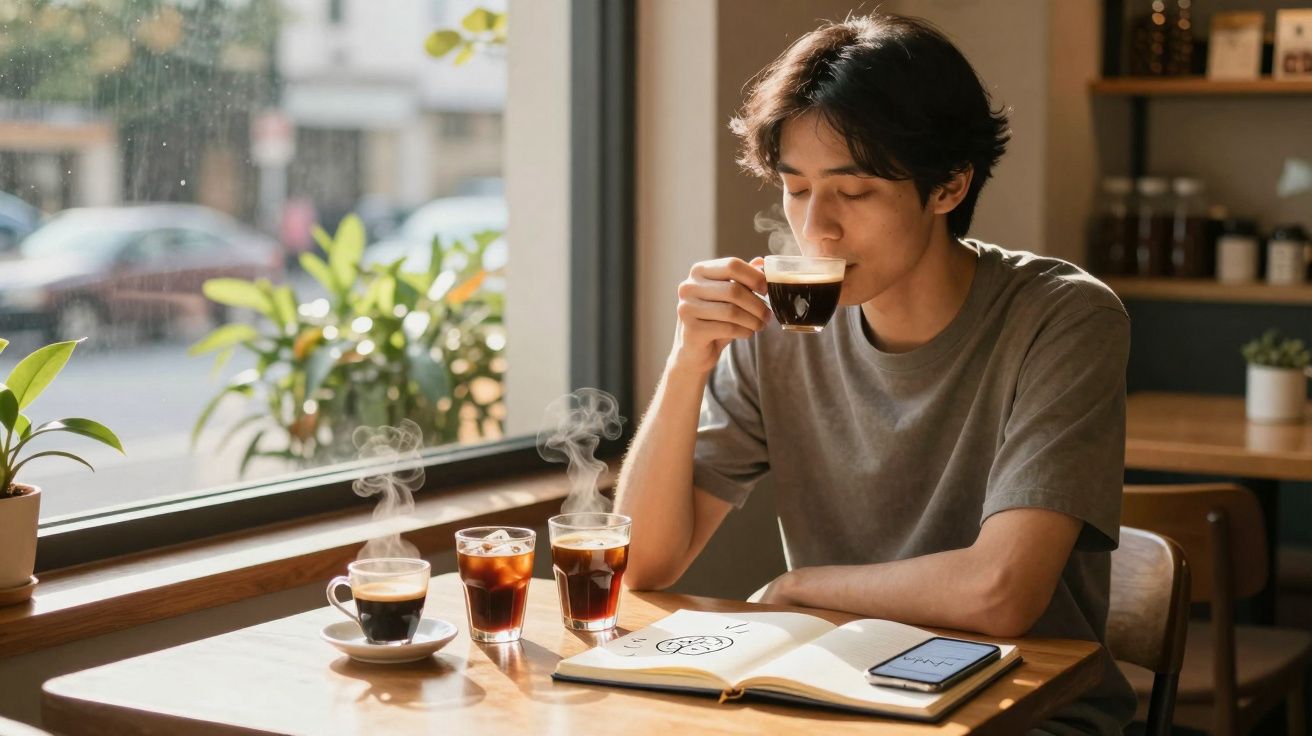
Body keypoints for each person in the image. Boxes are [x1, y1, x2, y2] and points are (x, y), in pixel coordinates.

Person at [614, 12, 1134, 735]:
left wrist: (801, 588)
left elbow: (1001, 593)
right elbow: (640, 561)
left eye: (853, 193)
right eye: (797, 190)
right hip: (839, 701)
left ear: (949, 186)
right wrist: (685, 364)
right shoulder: (782, 327)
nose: (817, 230)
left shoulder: (1062, 318)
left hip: (1029, 713)